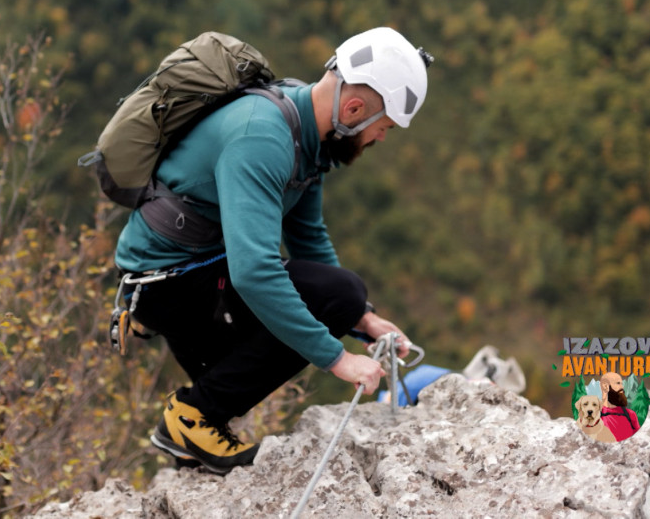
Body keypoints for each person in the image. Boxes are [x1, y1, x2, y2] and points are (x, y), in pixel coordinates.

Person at [114, 27, 431, 474]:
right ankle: (192, 418)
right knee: (335, 295)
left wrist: (363, 318)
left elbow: (307, 236)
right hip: (170, 286)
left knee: (343, 297)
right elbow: (256, 273)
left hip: (196, 273)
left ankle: (199, 429)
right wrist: (336, 359)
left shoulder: (306, 129)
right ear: (354, 109)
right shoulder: (263, 138)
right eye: (383, 129)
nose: (379, 139)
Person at [599, 372, 640, 441]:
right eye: (618, 383)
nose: (622, 387)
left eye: (622, 384)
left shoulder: (630, 414)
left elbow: (638, 440)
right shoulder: (595, 416)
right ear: (605, 386)